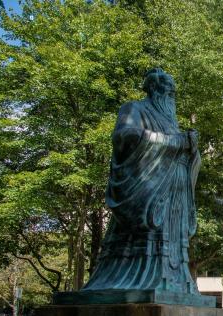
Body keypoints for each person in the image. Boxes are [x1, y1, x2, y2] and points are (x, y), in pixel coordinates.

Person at [82, 68, 200, 294]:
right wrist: (175, 142)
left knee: (171, 246)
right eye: (168, 91)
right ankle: (141, 281)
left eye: (173, 93)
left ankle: (174, 282)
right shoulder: (134, 108)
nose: (172, 96)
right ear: (154, 88)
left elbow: (182, 151)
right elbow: (125, 136)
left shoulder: (170, 121)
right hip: (149, 192)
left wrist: (191, 149)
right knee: (143, 245)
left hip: (174, 193)